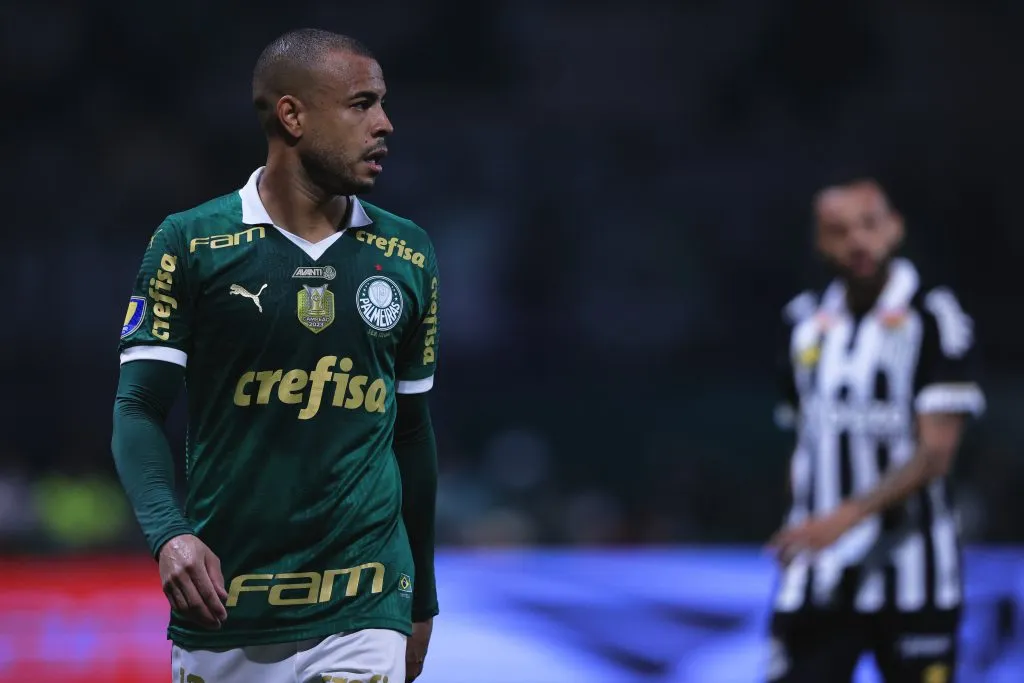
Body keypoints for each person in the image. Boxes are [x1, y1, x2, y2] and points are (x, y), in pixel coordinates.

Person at [111, 28, 439, 683]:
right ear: (292, 114)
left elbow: (411, 432)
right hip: (225, 608)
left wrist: (421, 598)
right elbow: (139, 408)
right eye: (361, 104)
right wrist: (168, 533)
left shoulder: (407, 255)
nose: (385, 124)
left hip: (364, 598)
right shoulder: (191, 243)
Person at [765, 178, 984, 683]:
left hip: (914, 577)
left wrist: (846, 517)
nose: (857, 242)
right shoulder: (803, 323)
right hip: (818, 580)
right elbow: (804, 445)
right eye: (839, 231)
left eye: (869, 225)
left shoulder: (934, 319)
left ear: (895, 229)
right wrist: (800, 522)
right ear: (820, 243)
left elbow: (935, 454)